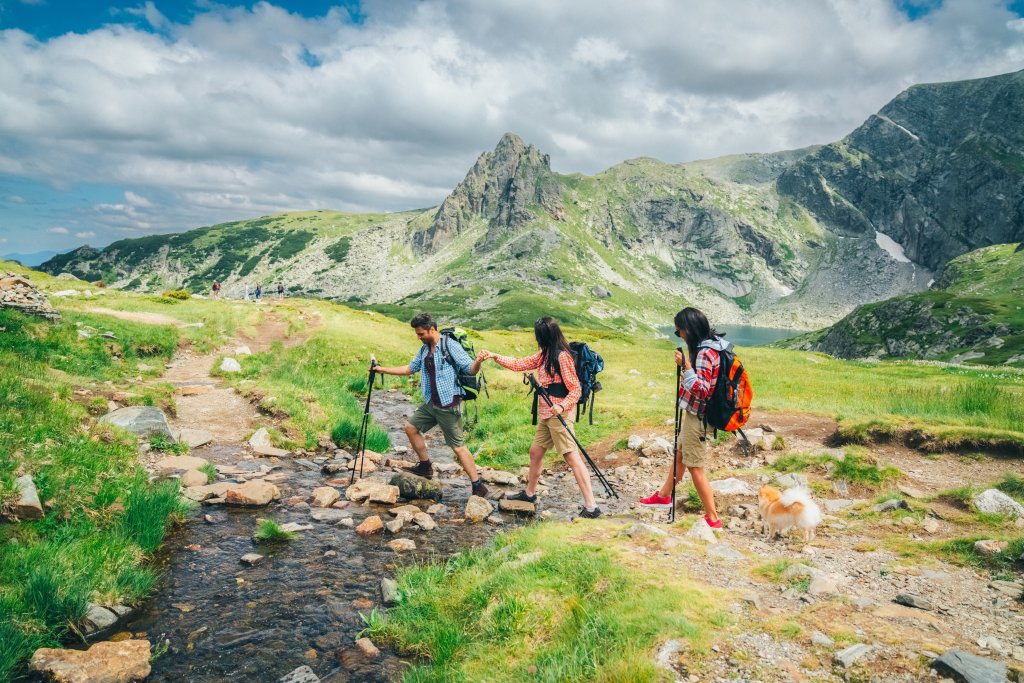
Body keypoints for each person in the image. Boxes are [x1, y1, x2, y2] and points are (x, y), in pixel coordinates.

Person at [480, 316, 602, 519]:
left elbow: (576, 390)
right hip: (547, 414)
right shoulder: (544, 354)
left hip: (559, 414)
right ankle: (529, 494)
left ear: (545, 336)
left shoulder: (562, 357)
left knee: (572, 457)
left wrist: (561, 406)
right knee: (536, 452)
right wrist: (495, 356)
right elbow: (520, 364)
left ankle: (591, 507)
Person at [371, 312, 489, 498]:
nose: (418, 337)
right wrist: (381, 369)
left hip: (449, 404)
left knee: (457, 446)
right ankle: (425, 467)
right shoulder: (425, 350)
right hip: (431, 403)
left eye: (421, 334)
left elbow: (470, 369)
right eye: (417, 334)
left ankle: (478, 485)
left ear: (432, 329)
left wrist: (479, 362)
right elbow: (410, 369)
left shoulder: (450, 345)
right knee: (411, 427)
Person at [639, 307, 724, 529]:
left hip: (699, 417)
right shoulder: (712, 345)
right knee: (679, 455)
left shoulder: (705, 353)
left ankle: (713, 518)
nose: (680, 336)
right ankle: (664, 495)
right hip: (695, 414)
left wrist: (686, 367)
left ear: (689, 329)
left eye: (679, 332)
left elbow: (703, 390)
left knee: (695, 465)